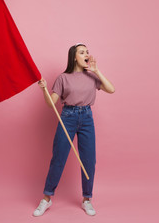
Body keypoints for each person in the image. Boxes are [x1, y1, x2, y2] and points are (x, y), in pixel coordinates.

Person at [33, 43, 115, 217]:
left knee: (88, 161)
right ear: (74, 57)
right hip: (68, 118)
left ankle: (87, 200)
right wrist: (43, 90)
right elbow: (51, 103)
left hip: (86, 118)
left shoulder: (92, 77)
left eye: (87, 52)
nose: (86, 54)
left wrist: (97, 70)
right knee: (59, 158)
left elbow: (111, 89)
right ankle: (46, 199)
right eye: (82, 52)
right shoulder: (63, 78)